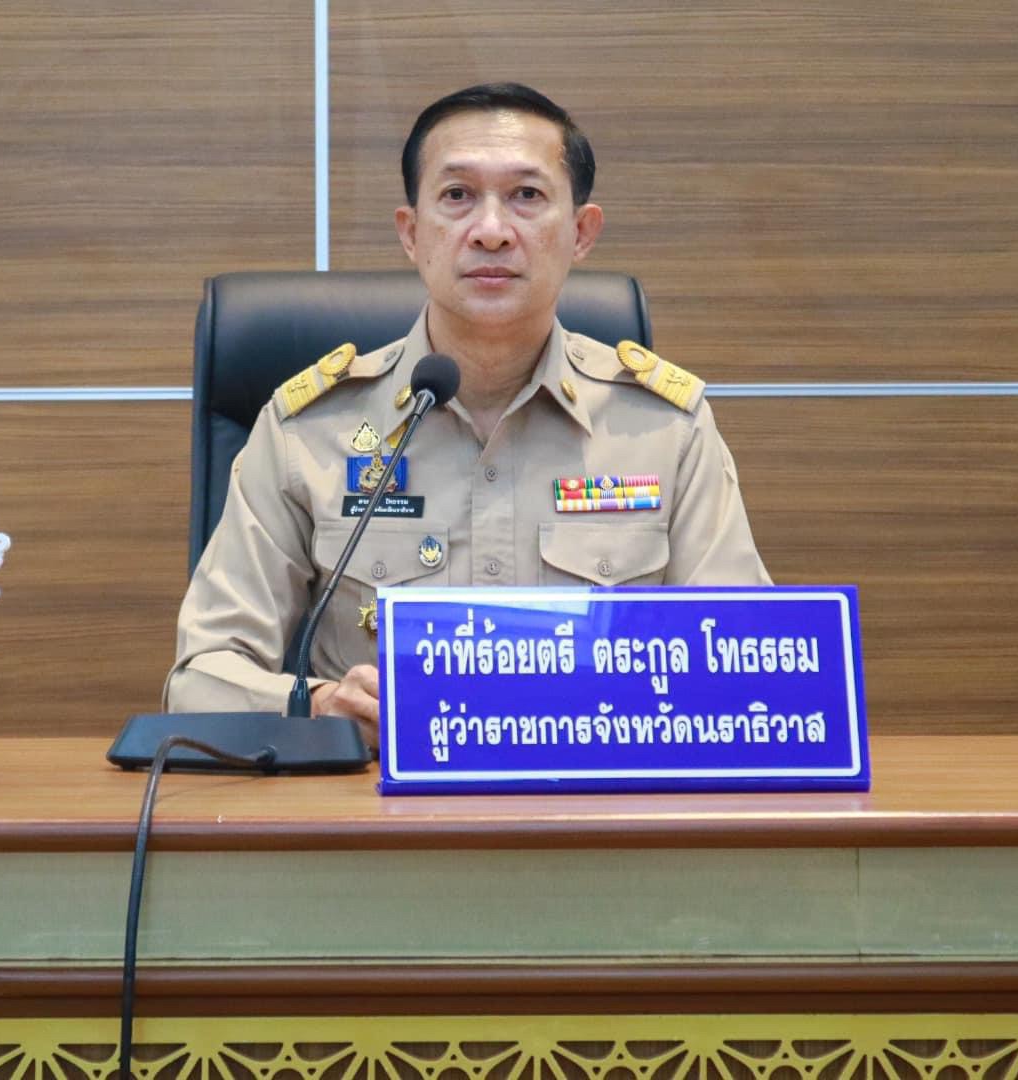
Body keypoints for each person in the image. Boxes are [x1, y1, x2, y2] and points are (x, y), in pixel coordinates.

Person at [164, 82, 771, 745]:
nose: (490, 231)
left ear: (581, 233)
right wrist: (321, 707)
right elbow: (200, 680)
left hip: (595, 795)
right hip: (370, 802)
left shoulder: (664, 431)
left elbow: (745, 666)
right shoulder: (310, 432)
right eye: (457, 196)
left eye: (527, 195)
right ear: (411, 233)